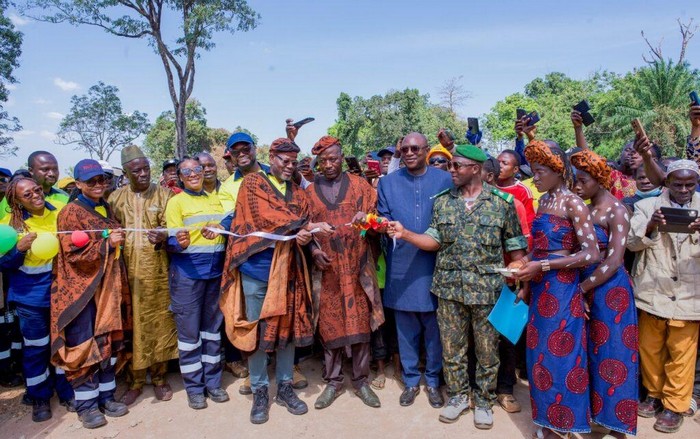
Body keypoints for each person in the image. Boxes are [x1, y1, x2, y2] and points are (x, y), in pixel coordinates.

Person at [388, 144, 528, 429]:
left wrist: (517, 268)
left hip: (487, 292)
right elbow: (434, 240)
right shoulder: (442, 202)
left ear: (475, 169)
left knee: (488, 351)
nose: (450, 171)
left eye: (456, 166)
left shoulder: (502, 204)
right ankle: (458, 397)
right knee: (453, 349)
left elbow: (517, 252)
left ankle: (485, 401)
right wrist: (406, 234)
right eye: (450, 165)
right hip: (449, 290)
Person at [216, 138, 332, 424]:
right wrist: (305, 226)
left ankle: (284, 387)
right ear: (272, 157)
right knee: (256, 332)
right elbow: (267, 217)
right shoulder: (253, 184)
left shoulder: (298, 192)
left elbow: (300, 225)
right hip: (256, 270)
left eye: (294, 162)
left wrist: (307, 236)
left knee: (287, 330)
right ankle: (259, 391)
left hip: (290, 270)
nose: (290, 167)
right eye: (284, 161)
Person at [510, 140, 600, 438]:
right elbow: (540, 249)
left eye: (539, 171)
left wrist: (544, 267)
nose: (534, 178)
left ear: (558, 170)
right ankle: (548, 420)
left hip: (562, 293)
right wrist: (525, 272)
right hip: (539, 291)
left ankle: (564, 424)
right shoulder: (544, 201)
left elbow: (591, 254)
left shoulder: (573, 203)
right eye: (533, 172)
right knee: (540, 357)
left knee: (562, 356)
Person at [305, 136, 384, 410]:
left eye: (333, 159)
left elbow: (376, 220)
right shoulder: (309, 191)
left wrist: (367, 220)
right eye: (323, 160)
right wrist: (315, 251)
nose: (328, 164)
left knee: (360, 322)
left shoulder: (361, 186)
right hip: (327, 271)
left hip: (357, 265)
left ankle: (361, 381)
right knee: (329, 324)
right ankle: (333, 381)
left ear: (342, 158)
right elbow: (304, 229)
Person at [51, 159, 130, 429]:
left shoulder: (104, 206)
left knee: (106, 340)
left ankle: (106, 396)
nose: (98, 185)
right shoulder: (70, 212)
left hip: (107, 288)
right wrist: (108, 243)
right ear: (78, 184)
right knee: (84, 343)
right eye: (91, 181)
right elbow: (72, 255)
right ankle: (86, 406)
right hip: (81, 290)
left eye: (102, 180)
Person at [377, 132, 452, 408]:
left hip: (436, 265)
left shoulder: (444, 179)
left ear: (426, 150)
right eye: (405, 148)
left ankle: (432, 381)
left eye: (415, 148)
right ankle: (410, 381)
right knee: (406, 329)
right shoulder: (387, 183)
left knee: (434, 330)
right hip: (401, 264)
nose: (409, 153)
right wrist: (382, 224)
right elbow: (383, 215)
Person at [627, 159, 700, 434]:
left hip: (690, 294)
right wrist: (650, 227)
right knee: (650, 348)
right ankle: (654, 395)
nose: (683, 190)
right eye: (677, 184)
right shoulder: (646, 206)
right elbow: (631, 244)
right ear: (666, 182)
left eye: (689, 184)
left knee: (682, 353)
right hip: (652, 290)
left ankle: (674, 406)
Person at [571, 149, 639, 437]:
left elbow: (613, 261)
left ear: (599, 180)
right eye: (575, 180)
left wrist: (583, 290)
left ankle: (617, 426)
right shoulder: (584, 209)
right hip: (585, 287)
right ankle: (594, 418)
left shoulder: (617, 210)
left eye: (583, 180)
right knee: (588, 353)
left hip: (610, 293)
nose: (577, 186)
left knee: (614, 355)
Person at [108, 146, 178, 406]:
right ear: (126, 172)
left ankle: (159, 378)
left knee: (160, 322)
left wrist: (165, 233)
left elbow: (175, 227)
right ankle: (135, 380)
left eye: (146, 168)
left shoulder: (165, 194)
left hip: (159, 272)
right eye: (136, 170)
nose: (143, 174)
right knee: (132, 325)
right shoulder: (114, 199)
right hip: (127, 273)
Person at [0, 178, 74, 422]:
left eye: (37, 190)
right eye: (27, 195)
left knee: (61, 343)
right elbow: (3, 265)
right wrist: (18, 250)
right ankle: (39, 396)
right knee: (36, 348)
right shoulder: (8, 225)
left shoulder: (60, 213)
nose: (35, 196)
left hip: (61, 292)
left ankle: (66, 391)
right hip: (30, 299)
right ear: (16, 201)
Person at [165, 158, 229, 410]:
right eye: (187, 171)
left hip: (214, 274)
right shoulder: (176, 202)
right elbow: (171, 240)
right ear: (180, 176)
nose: (193, 174)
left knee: (212, 332)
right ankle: (194, 388)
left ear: (204, 172)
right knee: (189, 336)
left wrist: (221, 227)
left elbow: (227, 225)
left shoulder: (215, 198)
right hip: (187, 275)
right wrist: (176, 243)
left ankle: (213, 384)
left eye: (197, 170)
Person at [481, 157, 531, 413]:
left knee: (507, 338)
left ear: (487, 176)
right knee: (477, 340)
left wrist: (523, 285)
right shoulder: (460, 203)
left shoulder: (513, 204)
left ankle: (505, 390)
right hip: (476, 284)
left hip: (506, 283)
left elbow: (522, 250)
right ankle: (479, 390)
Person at [218, 132, 269, 214]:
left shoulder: (274, 173)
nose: (241, 154)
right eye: (235, 152)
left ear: (255, 148)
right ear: (231, 155)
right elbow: (232, 217)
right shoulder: (226, 188)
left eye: (246, 149)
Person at [497, 149, 535, 226]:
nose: (499, 166)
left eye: (505, 163)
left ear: (515, 169)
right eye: (497, 162)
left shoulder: (523, 191)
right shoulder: (488, 185)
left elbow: (528, 222)